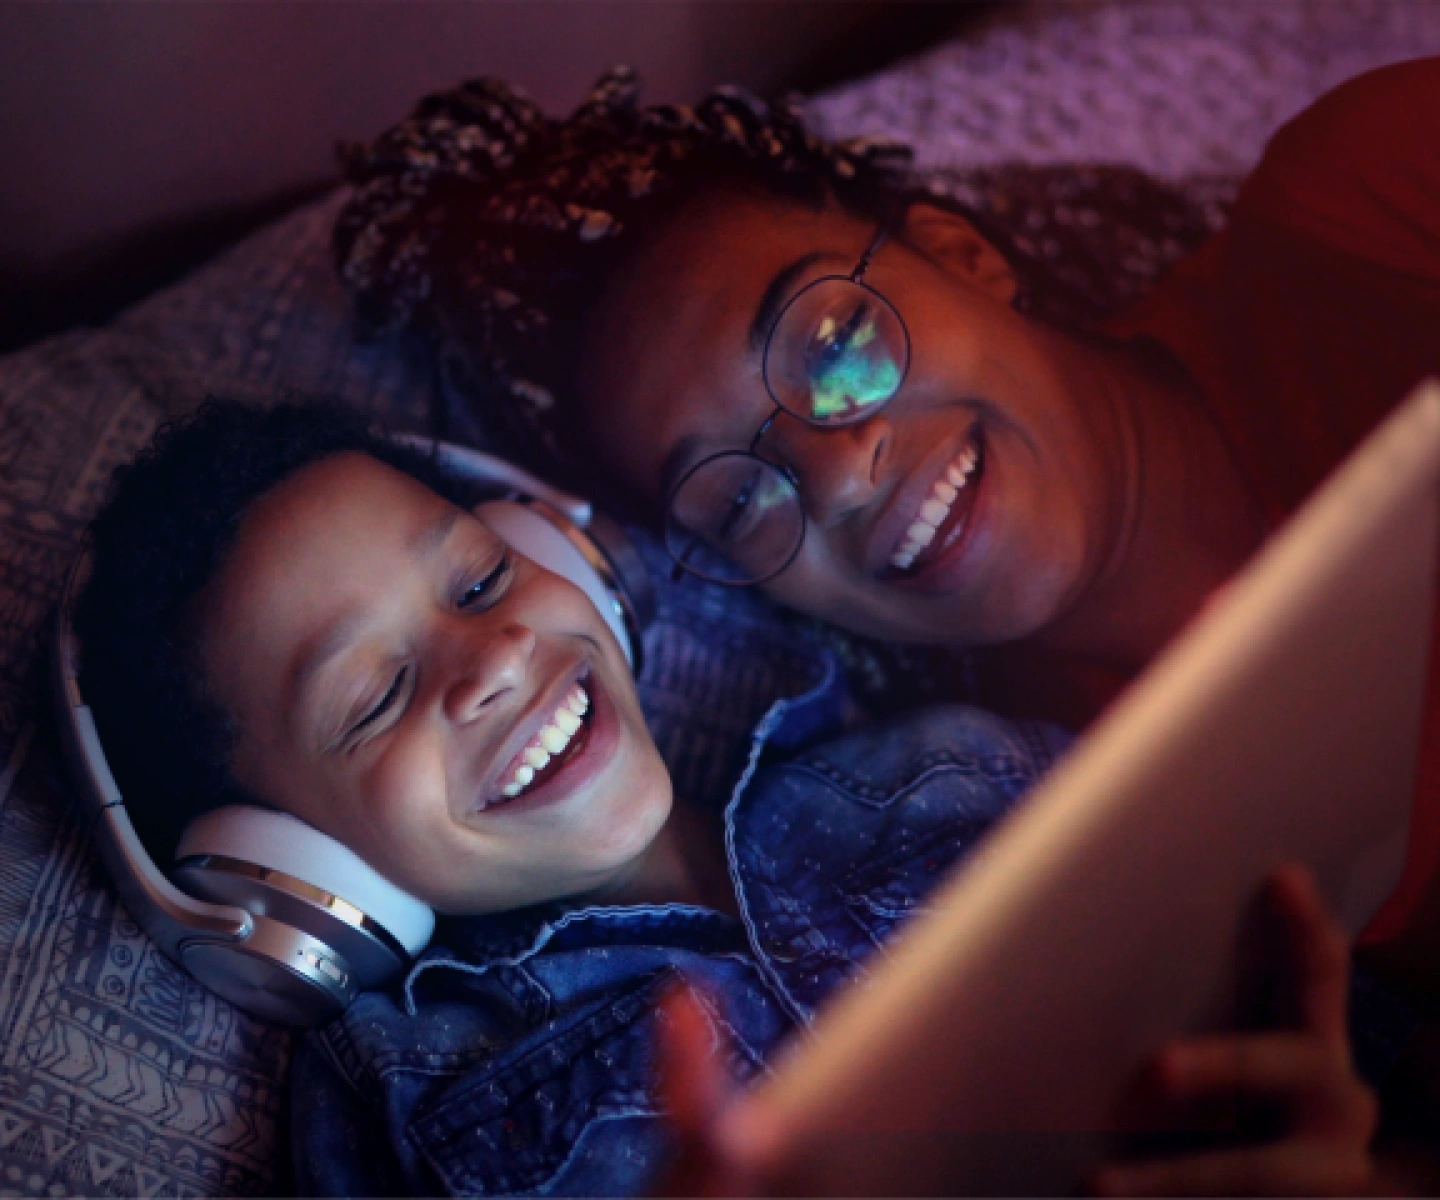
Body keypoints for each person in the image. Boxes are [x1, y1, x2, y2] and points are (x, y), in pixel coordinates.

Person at [334, 58, 1440, 1012]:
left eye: (835, 342)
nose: (837, 473)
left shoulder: (1358, 212)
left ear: (964, 256)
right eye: (738, 497)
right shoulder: (1038, 820)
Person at [76, 400, 1388, 1198]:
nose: (493, 662)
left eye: (481, 583)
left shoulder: (953, 762)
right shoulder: (412, 1097)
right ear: (294, 879)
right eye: (371, 698)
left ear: (565, 558)